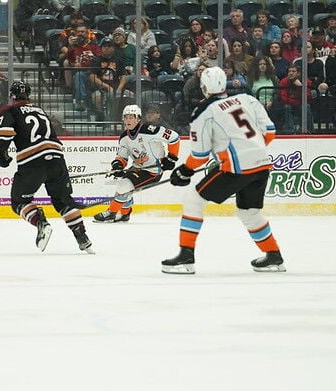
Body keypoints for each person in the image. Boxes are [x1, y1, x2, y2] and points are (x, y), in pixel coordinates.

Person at [161, 67, 284, 274]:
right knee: (249, 212)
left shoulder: (203, 112)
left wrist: (185, 170)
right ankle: (274, 256)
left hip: (235, 169)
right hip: (262, 163)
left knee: (193, 200)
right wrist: (250, 152)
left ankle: (186, 258)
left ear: (203, 87)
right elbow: (270, 132)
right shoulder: (247, 99)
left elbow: (200, 155)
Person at [0, 81, 93, 253]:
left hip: (32, 161)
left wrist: (1, 155)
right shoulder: (40, 110)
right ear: (29, 96)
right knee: (63, 201)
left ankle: (41, 222)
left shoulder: (9, 111)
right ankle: (83, 239)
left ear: (11, 96)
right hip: (57, 158)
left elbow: (5, 135)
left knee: (19, 201)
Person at [93, 104, 180, 223]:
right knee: (124, 187)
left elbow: (174, 137)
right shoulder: (124, 137)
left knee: (124, 186)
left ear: (138, 118)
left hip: (153, 171)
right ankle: (124, 214)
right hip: (137, 168)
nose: (128, 120)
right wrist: (118, 166)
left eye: (131, 117)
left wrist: (171, 158)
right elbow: (122, 157)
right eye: (126, 117)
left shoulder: (150, 130)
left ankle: (111, 213)